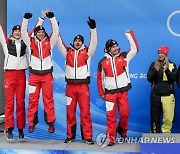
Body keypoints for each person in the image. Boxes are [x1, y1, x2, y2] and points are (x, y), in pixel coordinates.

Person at [56, 17, 97, 144]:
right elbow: (58, 42)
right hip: (70, 87)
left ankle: (87, 137)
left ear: (82, 43)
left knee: (85, 112)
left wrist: (93, 29)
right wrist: (55, 28)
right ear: (73, 42)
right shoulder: (67, 52)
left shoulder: (88, 52)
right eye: (76, 40)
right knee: (70, 112)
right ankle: (70, 136)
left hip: (83, 87)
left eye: (80, 40)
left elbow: (94, 42)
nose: (77, 42)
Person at [97, 30, 138, 146]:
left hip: (123, 91)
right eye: (113, 47)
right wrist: (101, 93)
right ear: (108, 49)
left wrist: (129, 34)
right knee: (111, 116)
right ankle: (111, 138)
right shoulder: (102, 62)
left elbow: (135, 49)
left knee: (125, 114)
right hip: (110, 94)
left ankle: (122, 131)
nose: (116, 48)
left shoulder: (124, 57)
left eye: (116, 46)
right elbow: (99, 79)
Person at [21, 11, 59, 133]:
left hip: (47, 76)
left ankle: (51, 123)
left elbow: (56, 32)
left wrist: (52, 18)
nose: (41, 34)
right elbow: (23, 32)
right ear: (36, 33)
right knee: (33, 100)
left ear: (45, 34)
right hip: (34, 76)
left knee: (48, 100)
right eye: (39, 32)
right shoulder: (30, 42)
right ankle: (31, 123)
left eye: (43, 32)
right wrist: (25, 19)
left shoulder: (50, 43)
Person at [0, 24, 27, 141]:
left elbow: (32, 32)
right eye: (15, 30)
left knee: (20, 103)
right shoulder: (6, 43)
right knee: (10, 103)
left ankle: (20, 129)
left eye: (19, 30)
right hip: (10, 75)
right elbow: (1, 33)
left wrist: (41, 19)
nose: (17, 32)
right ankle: (9, 129)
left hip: (21, 74)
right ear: (12, 32)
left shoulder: (25, 42)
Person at [147, 46, 177, 134]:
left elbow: (173, 79)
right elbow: (149, 78)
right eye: (159, 53)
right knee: (154, 116)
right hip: (155, 95)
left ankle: (166, 134)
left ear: (166, 54)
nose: (160, 55)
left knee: (168, 117)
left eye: (162, 53)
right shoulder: (153, 64)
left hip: (168, 95)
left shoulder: (172, 65)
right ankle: (155, 133)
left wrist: (166, 69)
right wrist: (156, 70)